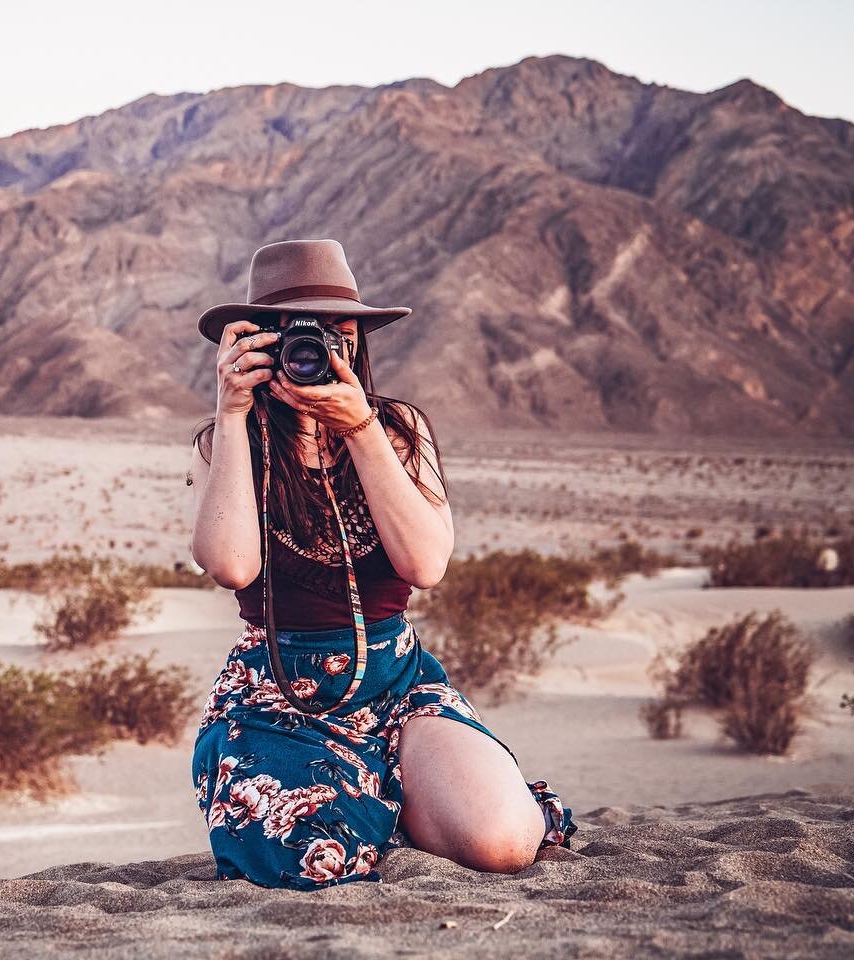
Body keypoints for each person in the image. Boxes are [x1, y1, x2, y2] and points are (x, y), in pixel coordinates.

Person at [186, 238, 576, 890]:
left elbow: (425, 564)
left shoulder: (398, 429)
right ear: (255, 341)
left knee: (504, 843)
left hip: (399, 685)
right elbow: (231, 567)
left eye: (339, 335)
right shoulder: (223, 444)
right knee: (316, 863)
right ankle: (368, 805)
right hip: (275, 697)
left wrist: (360, 429)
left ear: (360, 343)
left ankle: (394, 798)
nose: (316, 351)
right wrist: (231, 416)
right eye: (293, 336)